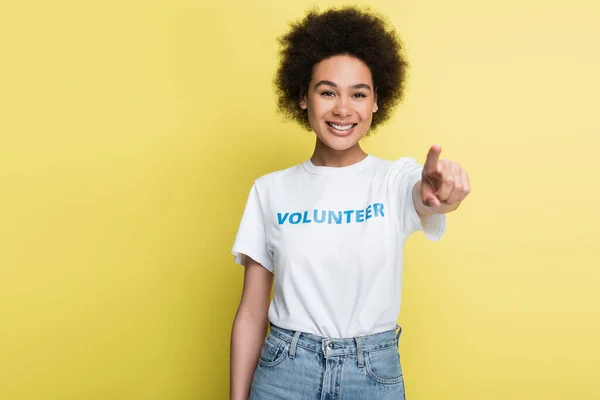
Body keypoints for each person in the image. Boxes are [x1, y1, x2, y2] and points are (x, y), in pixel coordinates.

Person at [229, 6, 470, 400]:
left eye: (359, 94)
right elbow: (252, 314)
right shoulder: (269, 190)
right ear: (303, 97)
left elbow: (426, 197)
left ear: (377, 101)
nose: (343, 108)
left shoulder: (394, 180)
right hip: (284, 372)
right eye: (327, 92)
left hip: (372, 374)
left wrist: (440, 195)